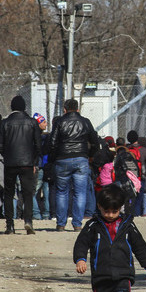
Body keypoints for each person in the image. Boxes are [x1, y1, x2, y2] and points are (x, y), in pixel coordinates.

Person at [47, 99, 99, 232]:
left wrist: (53, 159)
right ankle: (77, 224)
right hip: (81, 158)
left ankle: (61, 224)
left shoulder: (59, 122)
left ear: (64, 109)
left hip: (62, 159)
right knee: (80, 193)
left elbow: (52, 143)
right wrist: (90, 155)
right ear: (78, 109)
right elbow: (95, 141)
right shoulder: (85, 122)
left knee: (61, 192)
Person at [0, 95, 42, 234]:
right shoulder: (32, 122)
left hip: (10, 163)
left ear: (12, 107)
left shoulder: (5, 123)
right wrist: (33, 160)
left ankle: (10, 225)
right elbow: (38, 145)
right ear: (24, 107)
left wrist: (7, 155)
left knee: (9, 193)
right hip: (27, 163)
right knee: (28, 193)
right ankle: (28, 221)